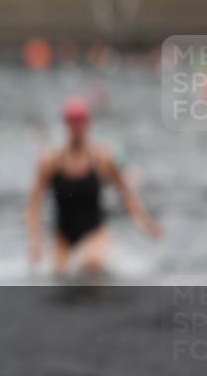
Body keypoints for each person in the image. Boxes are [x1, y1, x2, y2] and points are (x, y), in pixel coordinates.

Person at [26, 95, 162, 276]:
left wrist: (145, 221)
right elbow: (34, 203)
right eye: (72, 122)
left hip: (94, 231)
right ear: (65, 124)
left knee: (91, 266)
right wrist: (35, 240)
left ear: (87, 123)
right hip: (63, 234)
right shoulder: (50, 161)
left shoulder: (102, 158)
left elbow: (125, 192)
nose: (76, 127)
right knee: (58, 275)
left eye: (80, 121)